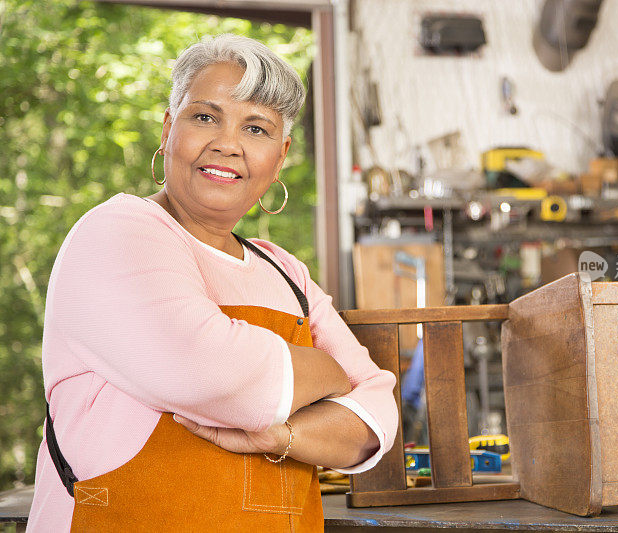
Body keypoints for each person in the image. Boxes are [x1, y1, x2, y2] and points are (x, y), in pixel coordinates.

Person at [28, 34, 398, 531]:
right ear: (167, 130)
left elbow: (374, 423)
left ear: (281, 155)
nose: (228, 143)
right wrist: (331, 372)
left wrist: (278, 436)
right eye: (205, 117)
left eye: (256, 128)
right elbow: (215, 374)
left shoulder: (284, 271)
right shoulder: (117, 232)